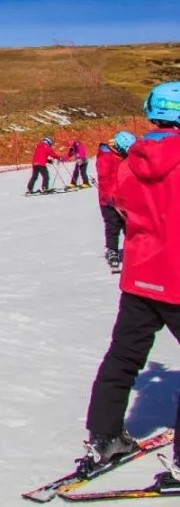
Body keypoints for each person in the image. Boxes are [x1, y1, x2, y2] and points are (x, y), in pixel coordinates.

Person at [81, 83, 180, 484]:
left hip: (141, 277)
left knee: (123, 357)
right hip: (175, 279)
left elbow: (120, 206)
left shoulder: (129, 161)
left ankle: (104, 436)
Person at [96, 132, 135, 272]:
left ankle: (133, 251)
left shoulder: (122, 155)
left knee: (129, 225)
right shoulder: (106, 156)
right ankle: (112, 250)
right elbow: (104, 179)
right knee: (113, 226)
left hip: (124, 198)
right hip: (108, 201)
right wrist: (110, 196)